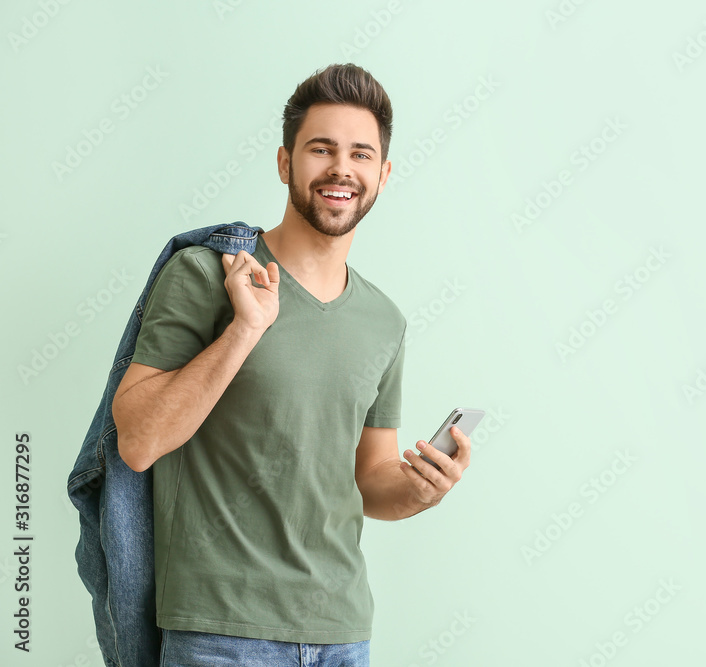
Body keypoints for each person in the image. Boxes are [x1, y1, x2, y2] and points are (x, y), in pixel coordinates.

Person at [110, 63, 471, 667]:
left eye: (360, 154)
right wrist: (246, 328)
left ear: (382, 175)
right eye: (320, 149)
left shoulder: (385, 321)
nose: (341, 169)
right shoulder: (208, 275)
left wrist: (420, 490)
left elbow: (371, 477)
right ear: (285, 163)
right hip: (220, 633)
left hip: (343, 633)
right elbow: (139, 442)